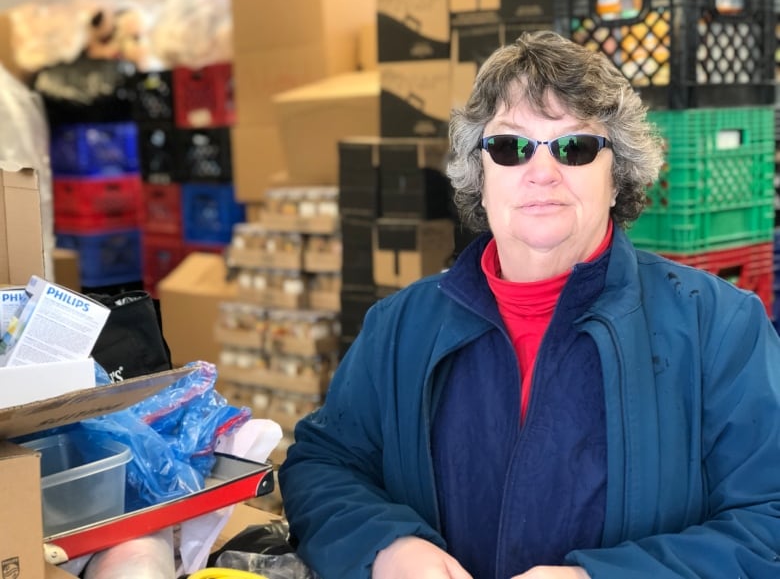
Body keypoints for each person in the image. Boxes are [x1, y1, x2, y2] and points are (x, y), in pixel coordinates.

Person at [278, 30, 780, 579]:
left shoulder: (721, 328)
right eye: (511, 147)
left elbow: (767, 520)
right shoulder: (400, 327)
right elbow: (323, 464)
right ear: (481, 173)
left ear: (617, 178)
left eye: (576, 147)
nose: (542, 172)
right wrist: (386, 546)